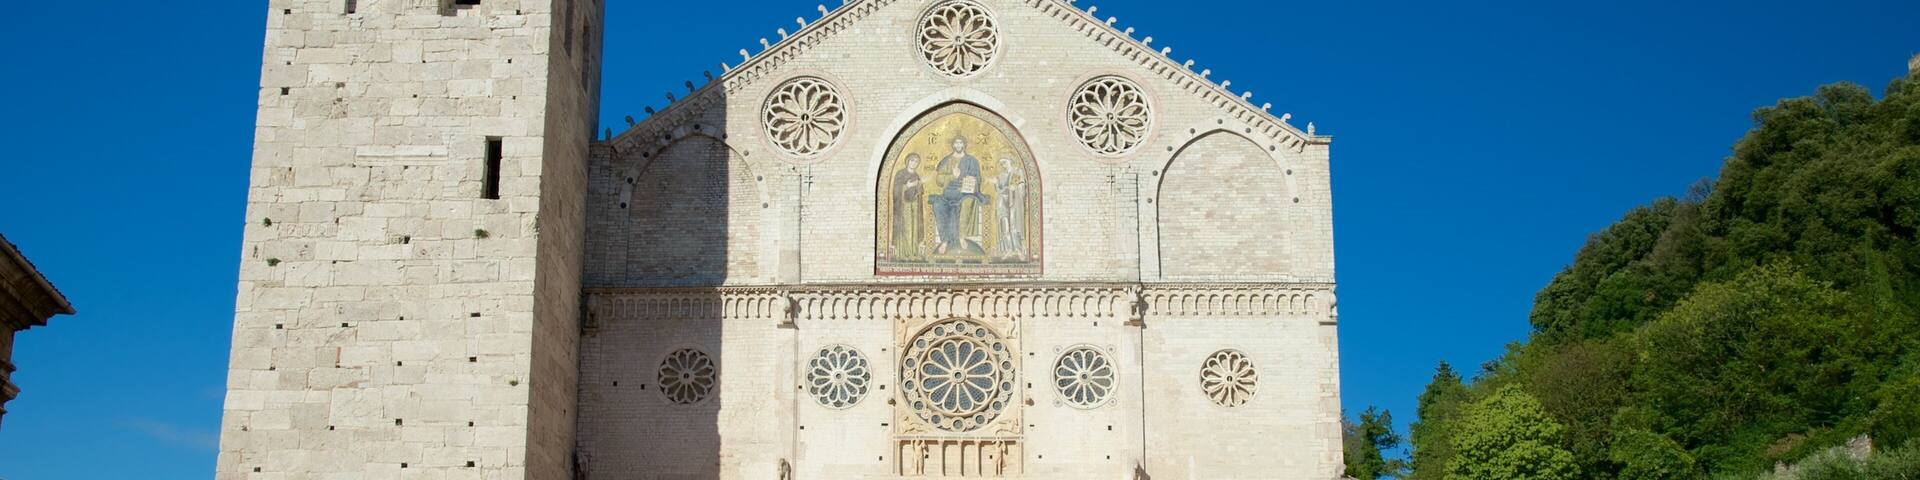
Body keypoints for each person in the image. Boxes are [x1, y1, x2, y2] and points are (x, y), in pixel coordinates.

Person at [929, 136, 987, 256]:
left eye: (961, 143)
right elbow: (939, 180)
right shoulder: (947, 160)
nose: (959, 145)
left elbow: (977, 178)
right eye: (956, 143)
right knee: (938, 205)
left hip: (964, 192)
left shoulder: (971, 160)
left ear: (964, 145)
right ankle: (944, 240)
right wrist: (952, 176)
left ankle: (961, 236)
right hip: (948, 192)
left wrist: (967, 183)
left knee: (965, 203)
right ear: (953, 145)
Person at [890, 154, 927, 260]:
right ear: (907, 161)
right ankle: (904, 253)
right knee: (906, 227)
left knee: (914, 227)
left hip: (914, 204)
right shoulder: (900, 174)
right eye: (912, 160)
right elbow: (896, 190)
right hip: (904, 205)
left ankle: (914, 253)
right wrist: (907, 186)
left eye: (916, 161)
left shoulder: (916, 175)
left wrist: (919, 185)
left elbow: (920, 191)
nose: (914, 163)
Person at [992, 157, 1026, 261]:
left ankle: (1019, 250)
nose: (1003, 165)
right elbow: (999, 190)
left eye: (1005, 162)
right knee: (1004, 226)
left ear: (1010, 161)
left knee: (1014, 226)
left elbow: (1021, 184)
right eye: (1001, 163)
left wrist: (1018, 188)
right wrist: (996, 184)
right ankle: (1008, 249)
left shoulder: (1017, 172)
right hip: (1003, 201)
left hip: (1014, 201)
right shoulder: (1001, 176)